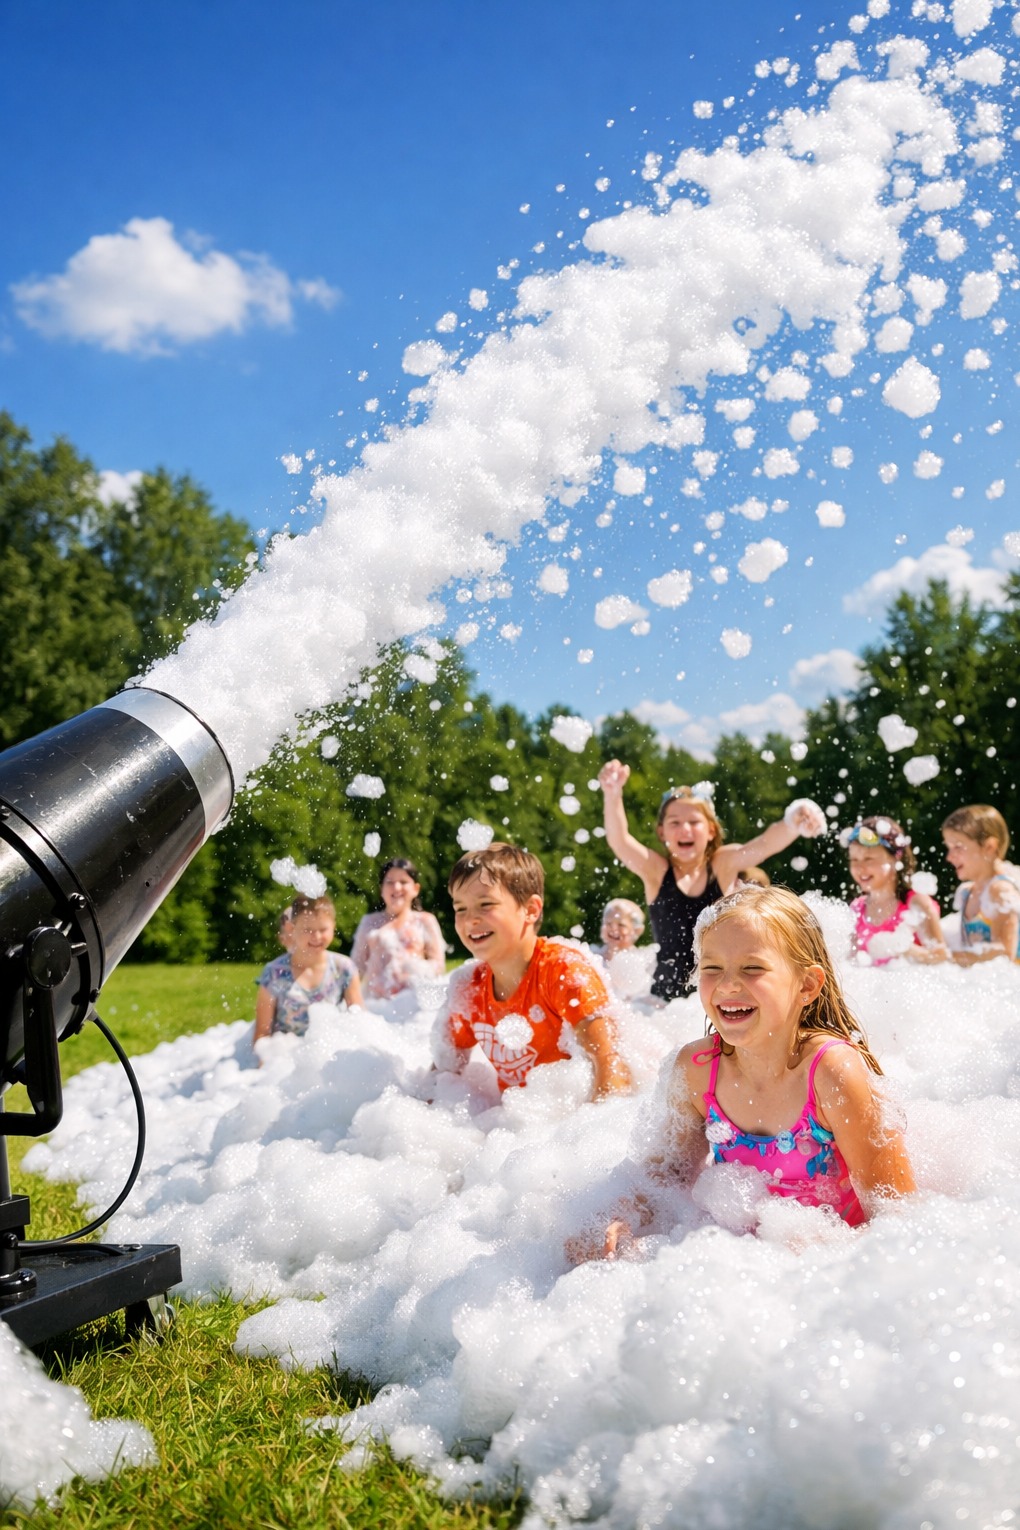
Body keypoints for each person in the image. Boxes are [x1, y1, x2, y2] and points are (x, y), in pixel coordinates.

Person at [584, 884, 914, 1259]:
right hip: (736, 1271)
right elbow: (667, 1182)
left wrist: (821, 1250)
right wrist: (625, 1217)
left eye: (752, 968)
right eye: (712, 968)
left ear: (807, 985)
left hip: (831, 1274)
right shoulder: (696, 1072)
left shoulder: (831, 1073)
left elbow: (899, 1216)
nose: (727, 984)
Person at [598, 760, 826, 1000]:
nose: (685, 828)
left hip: (719, 993)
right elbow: (619, 841)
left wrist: (793, 823)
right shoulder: (656, 871)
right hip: (664, 1000)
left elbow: (763, 845)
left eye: (694, 822)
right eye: (675, 822)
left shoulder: (722, 864)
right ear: (662, 832)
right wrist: (612, 794)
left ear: (711, 831)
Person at [432, 843, 632, 1099]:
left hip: (574, 1121)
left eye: (485, 904)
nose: (470, 918)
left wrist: (596, 1129)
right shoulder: (468, 989)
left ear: (531, 910)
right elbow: (443, 1071)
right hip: (516, 1123)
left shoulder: (562, 971)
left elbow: (609, 1061)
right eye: (460, 908)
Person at [254, 893, 362, 1044]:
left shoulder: (343, 968)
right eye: (308, 930)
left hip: (326, 1051)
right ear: (292, 929)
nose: (316, 936)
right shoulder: (274, 973)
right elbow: (262, 1034)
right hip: (283, 1054)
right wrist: (266, 1065)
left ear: (333, 927)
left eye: (323, 929)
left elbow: (360, 1024)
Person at [843, 816, 945, 965]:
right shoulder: (857, 909)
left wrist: (904, 948)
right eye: (854, 860)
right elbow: (849, 964)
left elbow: (941, 958)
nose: (860, 868)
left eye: (869, 859)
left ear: (895, 858)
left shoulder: (916, 904)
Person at [351, 858, 446, 1000]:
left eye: (403, 882)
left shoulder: (425, 921)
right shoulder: (369, 923)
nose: (396, 887)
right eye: (389, 882)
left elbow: (438, 966)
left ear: (415, 889)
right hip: (377, 1005)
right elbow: (356, 970)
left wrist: (414, 970)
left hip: (411, 1003)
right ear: (381, 889)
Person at [941, 805, 1020, 965]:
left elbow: (1004, 954)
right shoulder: (966, 893)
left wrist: (947, 957)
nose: (949, 857)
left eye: (958, 847)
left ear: (989, 847)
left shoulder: (1001, 891)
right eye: (948, 848)